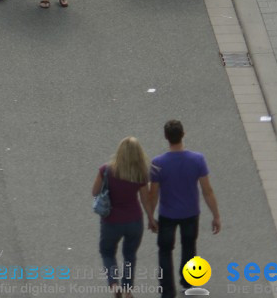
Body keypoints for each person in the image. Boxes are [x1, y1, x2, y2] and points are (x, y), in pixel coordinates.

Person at [150, 120, 221, 298]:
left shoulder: (158, 163)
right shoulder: (197, 160)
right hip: (190, 213)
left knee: (165, 250)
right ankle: (188, 282)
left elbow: (153, 193)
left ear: (166, 137)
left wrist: (150, 216)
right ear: (183, 134)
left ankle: (167, 290)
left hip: (167, 214)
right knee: (189, 246)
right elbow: (207, 190)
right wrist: (216, 215)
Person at [91, 137, 157, 297]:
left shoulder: (106, 170)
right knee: (129, 256)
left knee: (107, 252)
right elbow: (145, 199)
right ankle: (127, 290)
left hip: (111, 222)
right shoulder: (140, 174)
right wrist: (151, 219)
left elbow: (94, 192)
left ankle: (114, 285)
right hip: (134, 222)